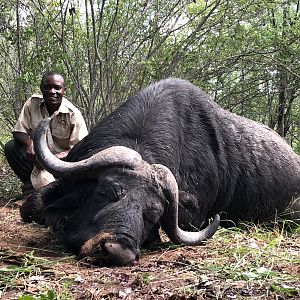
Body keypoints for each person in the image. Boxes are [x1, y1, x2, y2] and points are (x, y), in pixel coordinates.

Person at [4, 71, 88, 196]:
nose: (52, 91)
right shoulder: (32, 103)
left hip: (61, 163)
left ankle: (59, 188)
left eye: (57, 88)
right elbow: (18, 131)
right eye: (47, 87)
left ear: (64, 90)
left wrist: (55, 158)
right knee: (12, 147)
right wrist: (29, 143)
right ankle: (30, 185)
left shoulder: (73, 114)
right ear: (41, 88)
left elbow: (80, 147)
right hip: (37, 160)